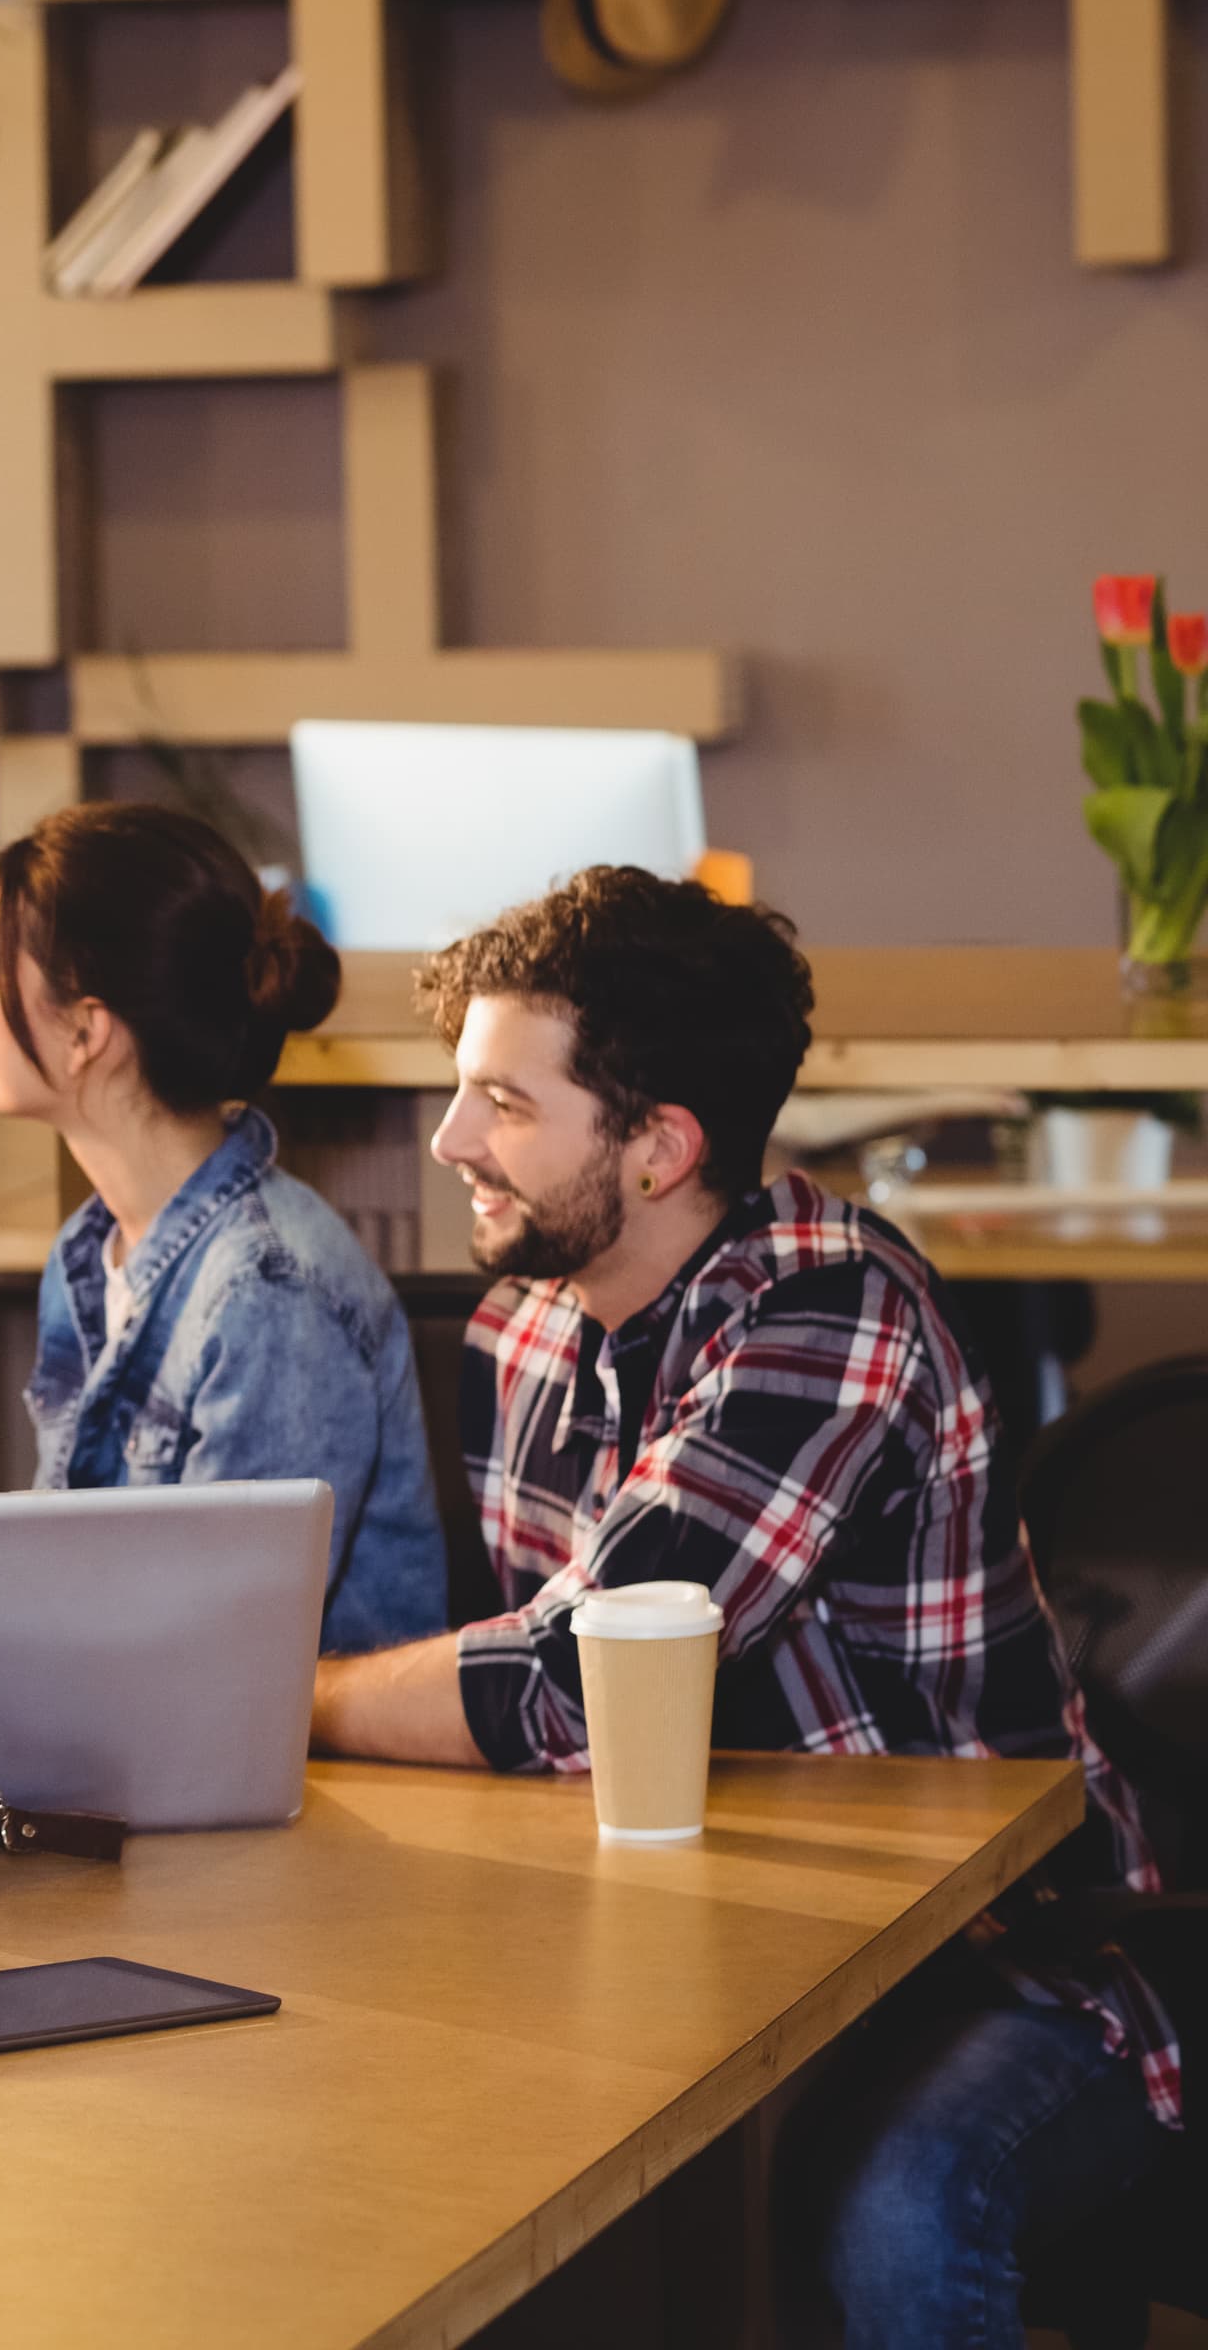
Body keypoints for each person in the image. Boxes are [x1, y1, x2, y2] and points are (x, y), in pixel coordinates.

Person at [305, 867, 1173, 2345]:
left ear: (659, 1150)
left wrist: (283, 1695)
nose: (450, 1141)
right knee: (408, 2164)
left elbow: (580, 1684)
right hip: (700, 1957)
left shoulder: (830, 1315)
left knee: (903, 2217)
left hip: (998, 1961)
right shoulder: (525, 1329)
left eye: (503, 1105)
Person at [0, 803, 444, 1650]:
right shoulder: (93, 1250)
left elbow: (219, 1652)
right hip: (133, 1749)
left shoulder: (267, 1290)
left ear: (86, 1031)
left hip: (298, 1778)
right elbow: (66, 1588)